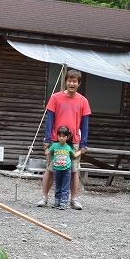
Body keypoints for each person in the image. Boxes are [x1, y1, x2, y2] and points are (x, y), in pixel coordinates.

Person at [37, 69, 90, 210]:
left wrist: (84, 143)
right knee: (51, 168)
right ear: (65, 82)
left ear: (79, 83)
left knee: (73, 170)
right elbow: (49, 119)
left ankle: (74, 199)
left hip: (73, 142)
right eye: (69, 81)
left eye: (74, 81)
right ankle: (44, 197)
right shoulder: (55, 97)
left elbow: (85, 124)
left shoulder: (83, 101)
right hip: (56, 139)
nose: (71, 83)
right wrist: (48, 139)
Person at [47, 125, 80, 210]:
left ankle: (64, 203)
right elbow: (47, 152)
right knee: (58, 186)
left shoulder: (68, 147)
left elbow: (74, 155)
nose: (61, 138)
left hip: (66, 169)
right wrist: (46, 145)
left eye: (63, 136)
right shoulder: (54, 145)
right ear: (57, 136)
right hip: (57, 169)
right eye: (59, 136)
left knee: (65, 187)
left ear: (67, 137)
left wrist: (81, 151)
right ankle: (57, 201)